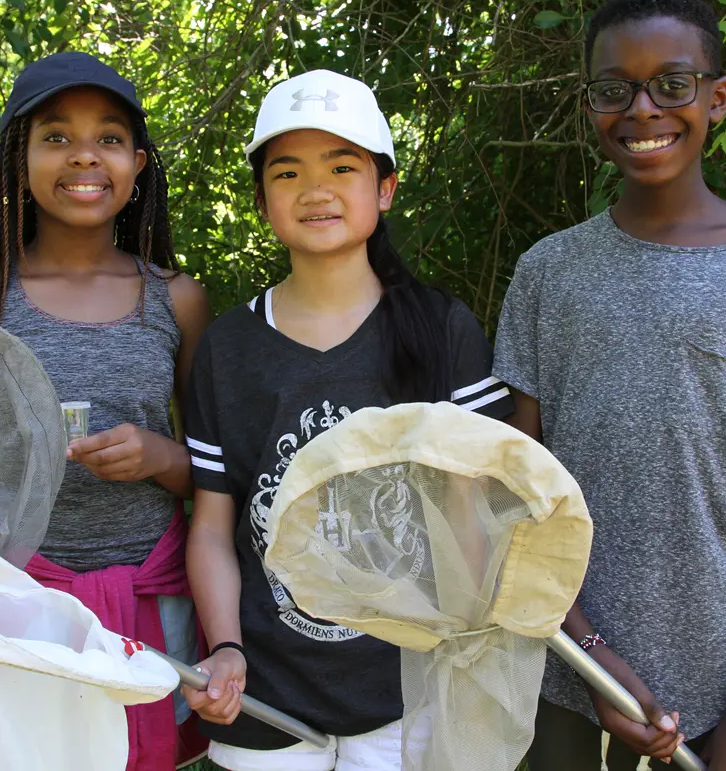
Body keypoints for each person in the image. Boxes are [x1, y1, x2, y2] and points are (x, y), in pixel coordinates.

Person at [494, 0, 726, 771]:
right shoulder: (548, 274)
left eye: (673, 84)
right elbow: (518, 490)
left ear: (719, 99)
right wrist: (589, 658)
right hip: (568, 675)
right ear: (590, 105)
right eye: (615, 89)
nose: (643, 109)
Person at [181, 69, 514, 771]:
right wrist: (225, 647)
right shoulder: (230, 348)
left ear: (385, 188)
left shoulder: (441, 329)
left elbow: (479, 512)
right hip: (265, 694)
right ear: (261, 196)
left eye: (342, 166)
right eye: (288, 171)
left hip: (408, 690)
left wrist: (456, 643)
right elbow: (214, 523)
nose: (316, 189)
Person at [0, 51, 211, 771]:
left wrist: (159, 457)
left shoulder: (177, 299)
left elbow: (214, 476)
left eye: (109, 138)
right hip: (22, 603)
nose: (84, 156)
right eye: (55, 137)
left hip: (155, 599)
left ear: (139, 162)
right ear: (17, 160)